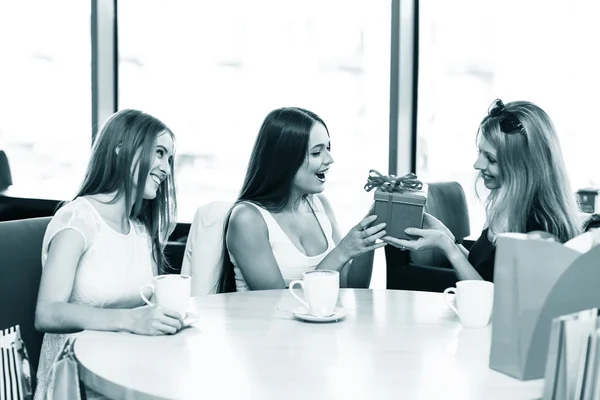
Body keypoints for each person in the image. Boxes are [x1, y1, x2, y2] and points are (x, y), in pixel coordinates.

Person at [34, 109, 183, 399]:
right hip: (75, 379)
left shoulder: (141, 230)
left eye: (169, 158)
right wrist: (131, 320)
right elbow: (47, 313)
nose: (166, 168)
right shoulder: (77, 219)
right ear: (121, 149)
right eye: (160, 153)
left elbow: (149, 305)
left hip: (127, 365)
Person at [383, 99, 581, 282]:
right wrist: (447, 237)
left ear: (522, 167)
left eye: (491, 159)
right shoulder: (509, 208)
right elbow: (484, 273)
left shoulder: (540, 227)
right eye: (480, 153)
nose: (477, 164)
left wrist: (447, 246)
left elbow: (492, 300)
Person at [218, 107, 386, 293]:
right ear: (284, 160)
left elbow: (351, 287)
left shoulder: (321, 205)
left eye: (328, 148)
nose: (329, 159)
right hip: (264, 322)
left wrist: (367, 238)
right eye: (316, 153)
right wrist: (342, 251)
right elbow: (273, 300)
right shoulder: (247, 219)